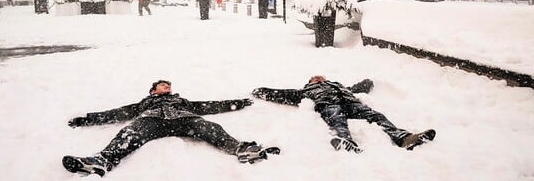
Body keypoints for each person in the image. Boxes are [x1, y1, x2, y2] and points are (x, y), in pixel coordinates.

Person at [63, 80, 279, 177]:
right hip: (152, 121)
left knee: (209, 126)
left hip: (185, 121)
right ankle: (101, 162)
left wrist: (238, 102)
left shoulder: (181, 101)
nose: (168, 87)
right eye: (163, 85)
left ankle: (242, 149)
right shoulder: (144, 104)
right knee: (130, 132)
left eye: (169, 85)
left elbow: (209, 106)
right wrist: (86, 119)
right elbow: (116, 113)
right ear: (153, 90)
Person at [252, 75, 435, 153]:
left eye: (321, 77)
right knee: (336, 117)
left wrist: (367, 82)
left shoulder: (339, 86)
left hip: (351, 104)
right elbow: (282, 94)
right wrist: (261, 91)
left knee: (375, 115)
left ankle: (404, 138)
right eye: (315, 79)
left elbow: (358, 87)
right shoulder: (306, 92)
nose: (319, 79)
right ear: (309, 83)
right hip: (328, 105)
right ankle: (346, 140)